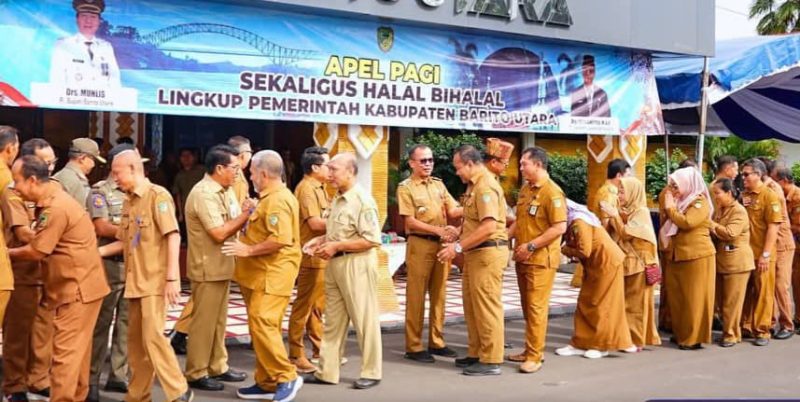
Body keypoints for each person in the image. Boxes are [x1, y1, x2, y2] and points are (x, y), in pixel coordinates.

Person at [8, 156, 110, 402]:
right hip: (82, 286)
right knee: (78, 353)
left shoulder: (56, 207)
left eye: (17, 182)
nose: (14, 188)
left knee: (65, 355)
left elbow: (37, 251)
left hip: (77, 290)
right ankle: (76, 396)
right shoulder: (53, 199)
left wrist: (4, 254)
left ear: (33, 181)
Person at [98, 150, 193, 402]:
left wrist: (173, 277)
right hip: (134, 282)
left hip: (154, 281)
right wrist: (93, 254)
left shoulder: (157, 196)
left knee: (153, 337)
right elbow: (125, 242)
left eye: (117, 172)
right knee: (136, 345)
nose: (114, 177)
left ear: (132, 168)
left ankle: (179, 391)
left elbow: (173, 234)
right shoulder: (129, 201)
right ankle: (137, 395)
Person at [221, 150, 304, 401]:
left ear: (264, 174)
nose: (250, 176)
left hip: (273, 273)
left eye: (253, 173)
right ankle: (266, 381)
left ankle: (286, 374)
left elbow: (280, 238)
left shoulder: (279, 199)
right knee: (263, 326)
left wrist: (248, 249)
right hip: (257, 274)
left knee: (262, 321)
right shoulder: (267, 198)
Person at [304, 152, 383, 389]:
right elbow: (339, 231)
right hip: (335, 263)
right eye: (328, 169)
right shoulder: (337, 198)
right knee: (333, 322)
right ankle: (327, 371)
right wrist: (321, 240)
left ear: (350, 171)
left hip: (356, 264)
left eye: (334, 170)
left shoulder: (362, 200)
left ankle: (372, 371)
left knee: (364, 320)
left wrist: (336, 245)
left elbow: (371, 240)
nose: (329, 174)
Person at [183, 145, 251, 391]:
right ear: (219, 168)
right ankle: (196, 371)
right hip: (207, 267)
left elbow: (233, 222)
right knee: (203, 323)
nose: (237, 172)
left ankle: (217, 365)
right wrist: (246, 215)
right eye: (234, 168)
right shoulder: (204, 193)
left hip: (223, 266)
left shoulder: (226, 190)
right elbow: (219, 232)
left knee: (219, 321)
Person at [437, 145, 508, 376]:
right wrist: (458, 232)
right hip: (475, 254)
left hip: (487, 253)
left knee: (486, 307)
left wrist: (456, 247)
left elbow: (488, 227)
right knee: (472, 306)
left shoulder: (486, 186)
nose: (457, 172)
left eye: (458, 167)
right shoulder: (474, 186)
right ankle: (476, 352)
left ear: (469, 164)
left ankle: (491, 359)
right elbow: (475, 221)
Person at [397, 144, 461, 364]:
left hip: (441, 246)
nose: (427, 164)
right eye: (422, 160)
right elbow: (410, 222)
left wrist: (474, 202)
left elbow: (454, 210)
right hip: (420, 244)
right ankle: (413, 345)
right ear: (412, 163)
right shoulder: (406, 187)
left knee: (439, 293)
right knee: (416, 295)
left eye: (430, 160)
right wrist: (438, 230)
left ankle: (437, 341)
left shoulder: (438, 185)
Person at [2, 139, 55, 402]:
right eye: (46, 163)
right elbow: (22, 232)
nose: (50, 167)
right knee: (17, 335)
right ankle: (15, 385)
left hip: (47, 271)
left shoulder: (55, 188)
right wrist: (47, 236)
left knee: (44, 333)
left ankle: (39, 379)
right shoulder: (13, 191)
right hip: (23, 271)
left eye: (52, 162)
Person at [507, 147, 566, 373]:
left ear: (538, 165)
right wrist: (505, 237)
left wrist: (532, 245)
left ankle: (535, 355)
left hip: (540, 259)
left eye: (524, 164)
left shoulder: (552, 192)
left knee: (536, 308)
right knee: (527, 307)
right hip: (523, 258)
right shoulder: (526, 189)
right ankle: (529, 348)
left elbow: (560, 226)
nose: (521, 168)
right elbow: (519, 221)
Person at [86, 144, 134, 402]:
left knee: (126, 323)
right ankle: (91, 379)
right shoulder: (99, 192)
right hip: (108, 266)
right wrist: (130, 229)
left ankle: (118, 375)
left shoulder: (136, 193)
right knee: (100, 324)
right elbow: (102, 226)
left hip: (132, 265)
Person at [557, 200, 633, 359]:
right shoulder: (572, 222)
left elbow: (584, 250)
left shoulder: (579, 222)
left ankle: (600, 345)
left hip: (607, 265)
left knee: (602, 305)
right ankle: (580, 342)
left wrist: (564, 250)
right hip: (595, 266)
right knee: (586, 302)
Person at [659, 166, 715, 350]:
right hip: (678, 255)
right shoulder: (682, 202)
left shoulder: (699, 202)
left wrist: (671, 209)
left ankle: (692, 338)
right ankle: (681, 333)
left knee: (694, 298)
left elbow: (688, 222)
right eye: (672, 185)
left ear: (687, 184)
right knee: (678, 297)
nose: (673, 189)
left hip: (696, 256)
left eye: (676, 185)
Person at [603, 177, 661, 351]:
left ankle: (636, 340)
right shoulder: (626, 211)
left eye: (623, 192)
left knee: (637, 305)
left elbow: (627, 233)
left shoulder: (641, 212)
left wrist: (614, 216)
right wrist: (611, 216)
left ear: (633, 193)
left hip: (640, 264)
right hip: (629, 263)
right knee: (627, 302)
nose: (619, 196)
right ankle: (626, 337)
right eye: (619, 191)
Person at [287, 147, 331, 373]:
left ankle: (318, 348)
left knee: (316, 306)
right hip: (310, 256)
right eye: (327, 165)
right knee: (303, 306)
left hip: (321, 254)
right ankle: (295, 353)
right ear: (314, 167)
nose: (330, 169)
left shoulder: (320, 188)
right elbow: (315, 223)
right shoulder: (306, 189)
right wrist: (344, 221)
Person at [740, 158, 782, 346]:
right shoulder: (744, 196)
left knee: (763, 293)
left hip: (763, 254)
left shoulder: (769, 196)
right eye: (743, 174)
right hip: (746, 253)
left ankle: (762, 330)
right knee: (747, 292)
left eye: (747, 174)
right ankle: (746, 325)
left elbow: (773, 227)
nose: (744, 178)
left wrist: (766, 254)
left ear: (759, 175)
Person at [709, 178, 754, 347]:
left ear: (728, 193)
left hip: (737, 263)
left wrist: (711, 224)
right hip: (722, 261)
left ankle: (731, 334)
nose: (716, 197)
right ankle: (730, 332)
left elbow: (730, 233)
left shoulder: (739, 211)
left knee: (732, 302)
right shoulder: (720, 210)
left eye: (718, 193)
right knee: (722, 301)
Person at [573, 158, 630, 288]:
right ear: (619, 175)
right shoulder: (610, 193)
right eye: (627, 176)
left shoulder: (605, 189)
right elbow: (606, 221)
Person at [169, 147, 205, 352]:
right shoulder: (181, 175)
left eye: (189, 155)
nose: (186, 158)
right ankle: (181, 334)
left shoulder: (201, 172)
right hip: (192, 217)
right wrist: (180, 213)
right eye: (183, 155)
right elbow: (178, 195)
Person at [657, 158, 698, 333]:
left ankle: (672, 320)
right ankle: (669, 320)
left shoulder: (690, 196)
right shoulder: (670, 193)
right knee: (671, 285)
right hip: (670, 242)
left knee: (674, 286)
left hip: (674, 244)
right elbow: (684, 221)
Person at [49, 0, 121, 87]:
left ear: (99, 22)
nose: (88, 21)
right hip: (72, 99)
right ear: (77, 20)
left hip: (102, 100)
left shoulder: (106, 48)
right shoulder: (63, 45)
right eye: (84, 16)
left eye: (93, 17)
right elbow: (57, 81)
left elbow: (115, 81)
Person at [763, 161, 795, 340]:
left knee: (781, 286)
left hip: (783, 243)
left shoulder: (772, 189)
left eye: (748, 173)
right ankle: (772, 321)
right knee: (771, 283)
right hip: (774, 243)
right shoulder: (768, 187)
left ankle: (787, 324)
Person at [774, 167, 800, 331]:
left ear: (783, 181)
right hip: (793, 245)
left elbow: (797, 226)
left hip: (796, 242)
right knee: (794, 284)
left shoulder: (797, 197)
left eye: (775, 180)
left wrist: (777, 227)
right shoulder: (783, 196)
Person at [53, 137, 106, 207]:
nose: (93, 165)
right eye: (93, 160)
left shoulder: (61, 175)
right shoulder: (75, 181)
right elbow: (82, 211)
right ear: (83, 158)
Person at [484, 138, 516, 228]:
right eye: (505, 164)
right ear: (493, 162)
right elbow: (491, 215)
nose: (506, 168)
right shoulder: (487, 182)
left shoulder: (493, 179)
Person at [228, 136, 253, 202]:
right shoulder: (237, 176)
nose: (250, 157)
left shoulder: (225, 169)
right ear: (243, 155)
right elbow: (238, 208)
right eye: (250, 152)